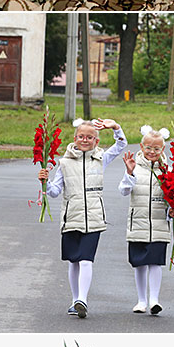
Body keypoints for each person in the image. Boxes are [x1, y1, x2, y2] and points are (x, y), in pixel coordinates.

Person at [38, 116, 127, 319]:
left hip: (94, 217)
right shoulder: (64, 163)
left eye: (90, 137)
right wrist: (44, 182)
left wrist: (116, 127)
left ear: (96, 140)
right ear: (75, 138)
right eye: (81, 136)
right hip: (71, 218)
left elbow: (121, 144)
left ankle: (83, 300)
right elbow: (54, 191)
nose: (85, 140)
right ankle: (74, 299)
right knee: (74, 261)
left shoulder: (101, 158)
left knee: (86, 260)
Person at [119, 127, 174, 316]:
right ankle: (141, 300)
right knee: (140, 263)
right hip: (139, 222)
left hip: (159, 223)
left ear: (163, 150)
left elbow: (173, 195)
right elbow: (124, 190)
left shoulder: (167, 169)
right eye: (148, 147)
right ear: (142, 146)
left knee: (155, 262)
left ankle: (154, 300)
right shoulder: (135, 167)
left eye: (157, 149)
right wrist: (129, 173)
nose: (152, 152)